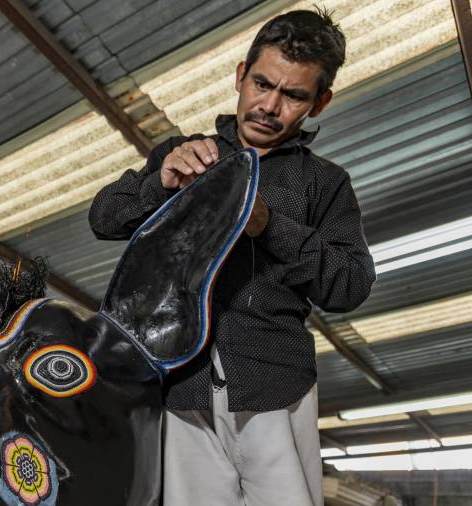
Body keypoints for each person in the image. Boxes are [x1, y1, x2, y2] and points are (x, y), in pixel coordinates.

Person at [89, 9, 375, 506]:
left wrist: (269, 226)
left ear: (320, 102)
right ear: (240, 75)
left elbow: (351, 283)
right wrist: (161, 184)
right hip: (181, 387)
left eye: (293, 96)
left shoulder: (325, 182)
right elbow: (104, 218)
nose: (269, 105)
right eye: (262, 84)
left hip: (275, 386)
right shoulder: (184, 154)